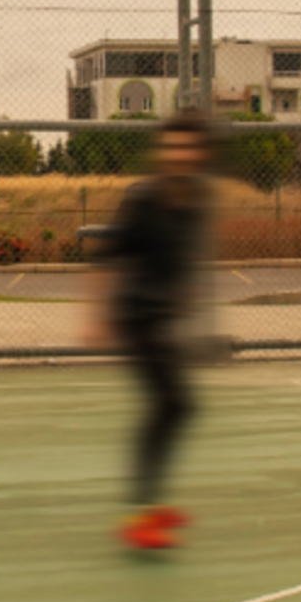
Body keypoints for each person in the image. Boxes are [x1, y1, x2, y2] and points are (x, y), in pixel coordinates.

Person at [84, 109, 212, 552]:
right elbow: (104, 258)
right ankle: (140, 514)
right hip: (136, 316)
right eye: (172, 146)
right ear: (163, 152)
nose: (180, 154)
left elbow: (183, 255)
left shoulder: (197, 198)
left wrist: (187, 291)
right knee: (173, 405)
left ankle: (149, 504)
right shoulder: (143, 198)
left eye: (188, 147)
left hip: (164, 317)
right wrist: (96, 319)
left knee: (176, 408)